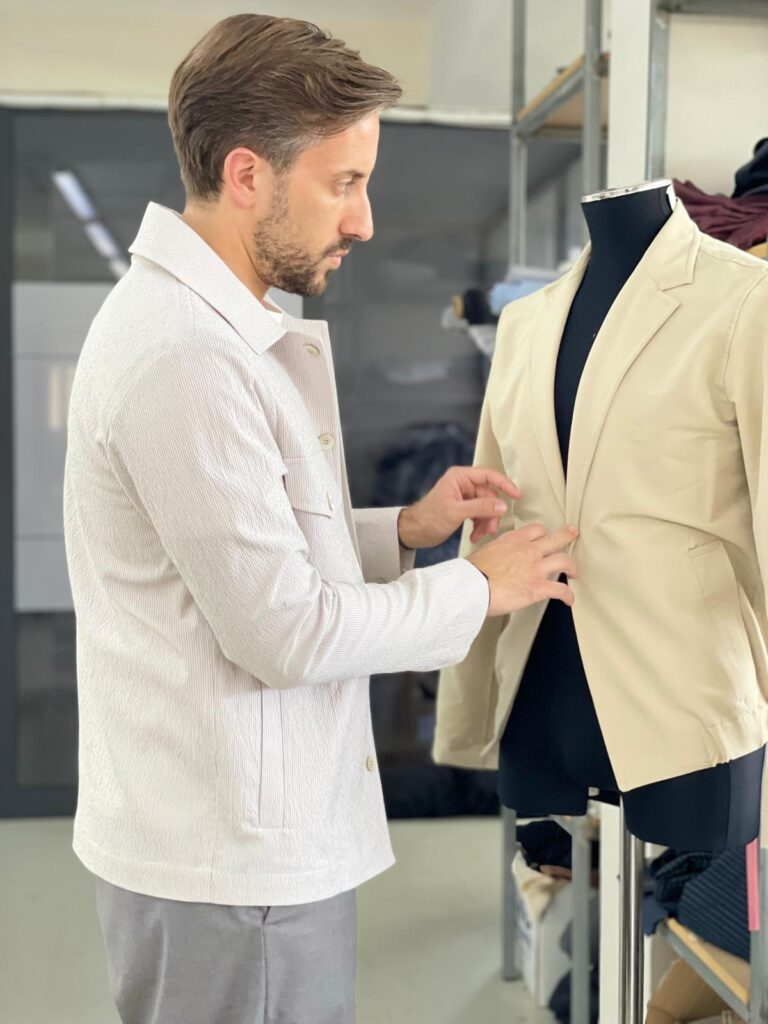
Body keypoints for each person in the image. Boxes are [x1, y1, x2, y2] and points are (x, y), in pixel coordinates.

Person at [63, 14, 578, 1024]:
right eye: (344, 183)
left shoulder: (207, 330)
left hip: (228, 849)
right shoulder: (187, 357)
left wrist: (406, 531)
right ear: (248, 175)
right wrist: (477, 588)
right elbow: (285, 630)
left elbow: (240, 546)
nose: (365, 220)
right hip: (233, 871)